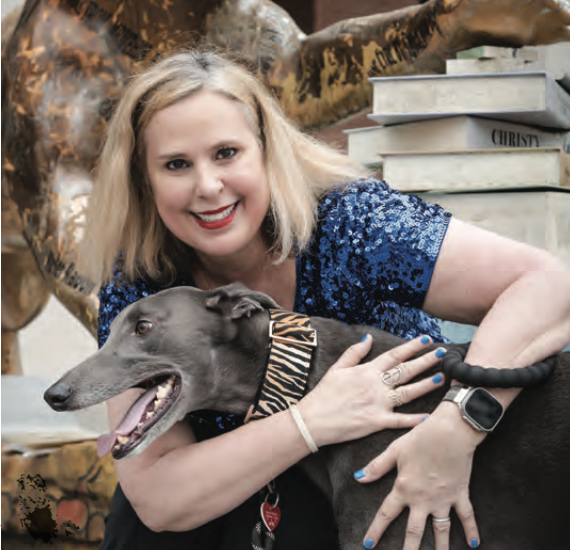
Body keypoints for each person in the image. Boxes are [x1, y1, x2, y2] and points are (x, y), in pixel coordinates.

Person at [78, 49, 570, 550]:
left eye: (226, 153)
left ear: (266, 150)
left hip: (400, 457)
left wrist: (458, 425)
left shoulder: (352, 223)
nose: (208, 186)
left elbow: (548, 285)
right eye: (176, 164)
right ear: (144, 179)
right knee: (140, 530)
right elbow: (157, 496)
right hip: (233, 478)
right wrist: (312, 420)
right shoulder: (141, 279)